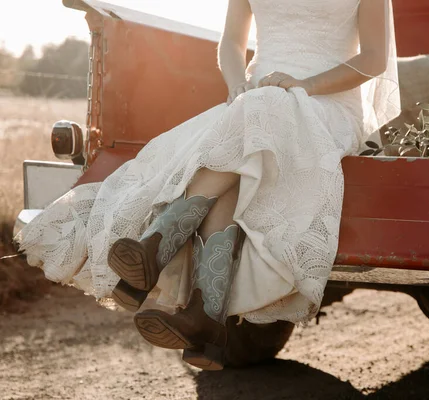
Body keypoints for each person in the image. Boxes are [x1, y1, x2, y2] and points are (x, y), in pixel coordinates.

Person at [15, 0, 400, 370]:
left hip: (327, 103)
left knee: (255, 126)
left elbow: (374, 58)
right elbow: (231, 43)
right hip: (254, 103)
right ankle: (204, 315)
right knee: (241, 152)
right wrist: (237, 89)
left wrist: (303, 85)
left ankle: (160, 247)